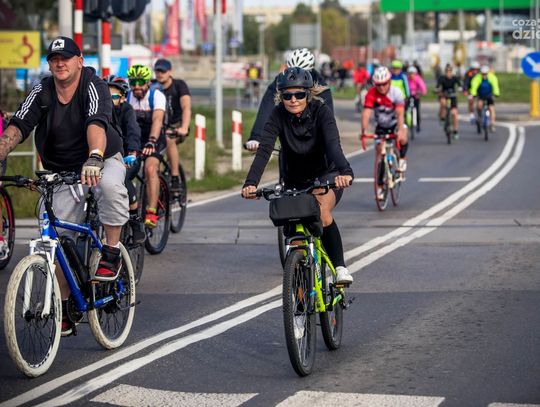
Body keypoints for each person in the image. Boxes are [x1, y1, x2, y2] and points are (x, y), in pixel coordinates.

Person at [0, 36, 128, 334]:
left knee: (110, 187)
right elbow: (19, 125)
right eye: (54, 59)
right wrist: (2, 150)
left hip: (101, 156)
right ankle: (66, 304)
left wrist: (94, 157)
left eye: (66, 58)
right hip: (62, 168)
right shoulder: (42, 90)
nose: (60, 63)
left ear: (79, 61)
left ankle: (111, 251)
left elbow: (97, 122)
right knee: (55, 236)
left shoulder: (93, 85)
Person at [241, 67, 354, 284]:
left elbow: (333, 146)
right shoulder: (277, 115)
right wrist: (251, 183)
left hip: (325, 174)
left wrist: (345, 172)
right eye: (287, 96)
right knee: (291, 225)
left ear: (308, 94)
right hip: (294, 178)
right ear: (281, 97)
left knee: (321, 213)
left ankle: (340, 267)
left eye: (299, 94)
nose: (293, 100)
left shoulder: (321, 112)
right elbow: (264, 151)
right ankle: (299, 283)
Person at [245, 48, 334, 151]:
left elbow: (328, 117)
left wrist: (327, 141)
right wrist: (256, 137)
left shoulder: (321, 86)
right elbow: (267, 106)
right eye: (292, 72)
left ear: (310, 71)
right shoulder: (281, 80)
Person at [104, 75, 146, 244]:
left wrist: (133, 152)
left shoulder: (127, 110)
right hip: (104, 157)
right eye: (106, 95)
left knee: (123, 178)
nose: (109, 100)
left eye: (113, 96)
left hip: (127, 156)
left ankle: (135, 219)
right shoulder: (99, 110)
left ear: (122, 98)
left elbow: (133, 132)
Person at [126, 64, 167, 228]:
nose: (136, 86)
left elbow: (157, 120)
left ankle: (151, 210)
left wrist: (152, 140)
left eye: (140, 82)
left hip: (154, 138)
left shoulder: (156, 96)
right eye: (133, 82)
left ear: (148, 82)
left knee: (150, 169)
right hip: (135, 139)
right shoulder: (127, 96)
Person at [361, 66, 408, 201]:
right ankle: (380, 185)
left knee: (403, 135)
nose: (381, 87)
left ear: (389, 82)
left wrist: (400, 129)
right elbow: (366, 113)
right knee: (380, 154)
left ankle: (402, 158)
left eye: (384, 84)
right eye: (378, 85)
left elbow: (400, 113)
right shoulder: (371, 93)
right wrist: (364, 131)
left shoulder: (396, 92)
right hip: (381, 126)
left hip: (395, 123)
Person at [153, 58, 191, 195]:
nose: (160, 74)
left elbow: (186, 107)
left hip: (176, 125)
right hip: (158, 126)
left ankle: (175, 178)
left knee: (168, 139)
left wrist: (184, 127)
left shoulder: (179, 85)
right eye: (157, 71)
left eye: (163, 71)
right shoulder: (152, 86)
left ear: (170, 72)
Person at [436, 63, 462, 139]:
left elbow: (460, 85)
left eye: (450, 71)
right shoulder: (442, 78)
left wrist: (460, 89)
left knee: (454, 113)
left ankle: (455, 130)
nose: (448, 73)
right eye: (447, 71)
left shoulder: (454, 78)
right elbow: (438, 86)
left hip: (452, 96)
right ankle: (442, 117)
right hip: (444, 95)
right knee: (443, 103)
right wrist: (438, 90)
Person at [470, 65, 500, 132]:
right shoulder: (477, 78)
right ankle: (479, 117)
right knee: (479, 106)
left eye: (485, 74)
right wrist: (473, 93)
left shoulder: (492, 77)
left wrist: (496, 93)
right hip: (481, 96)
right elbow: (474, 86)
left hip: (489, 95)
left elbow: (495, 86)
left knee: (491, 109)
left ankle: (492, 125)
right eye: (483, 74)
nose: (484, 75)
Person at [406, 66, 427, 132]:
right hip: (408, 96)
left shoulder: (418, 79)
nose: (411, 75)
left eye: (412, 73)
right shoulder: (406, 79)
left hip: (416, 96)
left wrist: (421, 93)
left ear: (415, 73)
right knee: (406, 109)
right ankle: (406, 122)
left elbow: (423, 88)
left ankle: (418, 124)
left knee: (417, 110)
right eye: (410, 73)